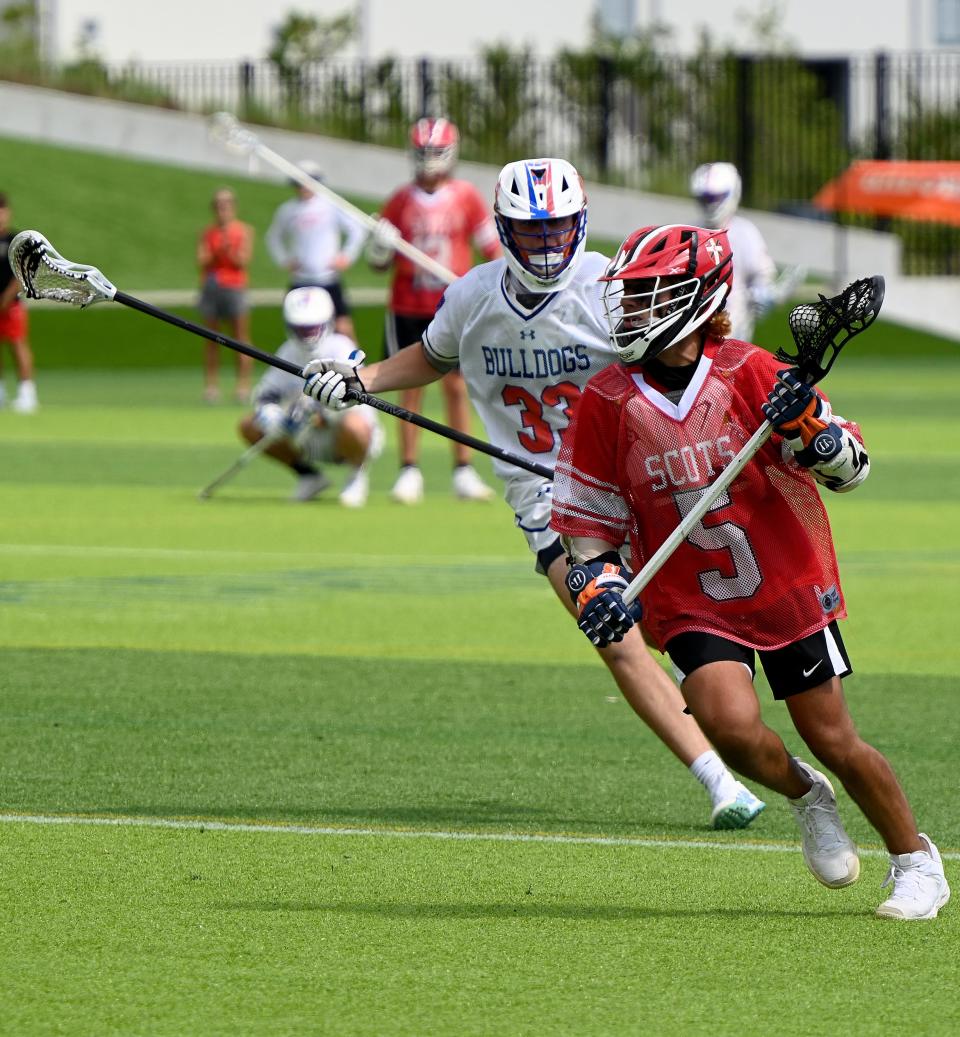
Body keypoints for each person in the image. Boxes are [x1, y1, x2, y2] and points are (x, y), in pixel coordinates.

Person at [301, 159, 766, 830]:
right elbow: (432, 357)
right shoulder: (473, 294)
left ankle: (751, 741)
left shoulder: (612, 286)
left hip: (635, 481)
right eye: (530, 231)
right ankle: (721, 781)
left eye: (557, 229)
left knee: (691, 627)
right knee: (614, 634)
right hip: (546, 500)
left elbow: (677, 361)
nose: (546, 245)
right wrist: (361, 377)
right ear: (503, 230)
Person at [550, 222, 950, 920]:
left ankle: (916, 860)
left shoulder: (753, 370)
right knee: (728, 724)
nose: (633, 310)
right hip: (690, 597)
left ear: (698, 299)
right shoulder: (606, 400)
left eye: (649, 295)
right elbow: (588, 527)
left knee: (833, 736)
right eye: (633, 296)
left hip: (786, 582)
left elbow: (850, 467)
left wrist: (810, 432)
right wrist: (599, 586)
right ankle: (806, 796)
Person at [365, 117, 501, 504]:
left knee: (457, 386)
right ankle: (409, 469)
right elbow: (378, 263)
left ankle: (463, 469)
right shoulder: (400, 200)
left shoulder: (466, 196)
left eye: (434, 152)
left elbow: (491, 249)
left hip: (453, 308)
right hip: (408, 305)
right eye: (422, 153)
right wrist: (379, 245)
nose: (428, 161)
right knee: (408, 387)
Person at [238, 287, 382, 506]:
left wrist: (318, 414)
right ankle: (309, 477)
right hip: (304, 437)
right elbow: (266, 393)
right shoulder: (288, 350)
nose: (307, 335)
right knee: (250, 425)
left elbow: (355, 400)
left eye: (313, 328)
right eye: (301, 329)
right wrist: (271, 414)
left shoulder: (342, 348)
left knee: (354, 424)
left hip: (342, 433)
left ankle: (356, 476)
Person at [265, 159, 366, 341]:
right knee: (300, 331)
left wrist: (346, 256)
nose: (304, 187)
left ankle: (356, 367)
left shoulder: (330, 205)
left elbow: (357, 229)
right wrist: (284, 260)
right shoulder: (288, 210)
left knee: (343, 328)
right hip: (300, 280)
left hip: (328, 279)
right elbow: (273, 238)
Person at [690, 163, 777, 342]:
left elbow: (761, 275)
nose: (710, 205)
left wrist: (762, 293)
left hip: (735, 329)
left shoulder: (745, 233)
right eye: (705, 199)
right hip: (696, 329)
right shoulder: (691, 234)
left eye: (715, 198)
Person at [197, 187, 255, 404]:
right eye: (219, 205)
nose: (222, 210)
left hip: (234, 286)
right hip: (212, 286)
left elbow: (242, 260)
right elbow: (202, 259)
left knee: (240, 337)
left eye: (227, 205)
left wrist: (226, 250)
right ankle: (211, 386)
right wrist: (219, 253)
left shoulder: (243, 231)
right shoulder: (207, 233)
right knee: (210, 338)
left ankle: (243, 385)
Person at [0, 192, 39, 413]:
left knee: (17, 344)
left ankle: (27, 394)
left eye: (2, 212)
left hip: (11, 303)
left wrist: (6, 296)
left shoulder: (15, 241)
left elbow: (22, 274)